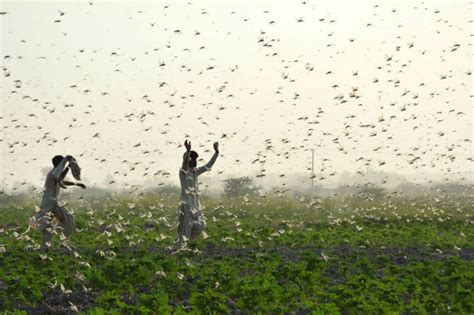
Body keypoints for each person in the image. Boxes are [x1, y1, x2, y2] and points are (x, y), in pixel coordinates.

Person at [32, 155, 86, 252]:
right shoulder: (53, 174)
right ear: (59, 164)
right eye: (62, 164)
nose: (63, 166)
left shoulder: (53, 173)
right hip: (50, 202)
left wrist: (76, 184)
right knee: (68, 218)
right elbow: (59, 178)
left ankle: (47, 246)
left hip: (49, 202)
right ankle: (61, 245)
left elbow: (61, 181)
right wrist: (68, 168)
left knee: (48, 224)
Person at [176, 140, 219, 249]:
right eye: (192, 159)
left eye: (195, 159)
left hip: (195, 205)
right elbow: (184, 164)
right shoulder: (183, 172)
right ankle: (181, 248)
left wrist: (216, 152)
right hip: (186, 205)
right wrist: (188, 151)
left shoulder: (195, 172)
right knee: (185, 228)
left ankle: (184, 243)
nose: (194, 161)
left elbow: (208, 165)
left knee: (201, 225)